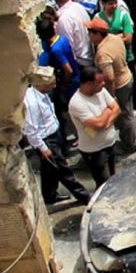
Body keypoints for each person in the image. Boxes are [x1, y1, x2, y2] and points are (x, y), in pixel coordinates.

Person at [23, 66, 90, 204]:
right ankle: (84, 196)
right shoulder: (32, 103)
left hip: (53, 134)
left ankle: (50, 196)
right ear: (40, 84)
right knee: (63, 170)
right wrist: (44, 149)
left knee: (49, 170)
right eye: (51, 83)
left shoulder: (41, 94)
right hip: (46, 141)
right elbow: (31, 130)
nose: (54, 85)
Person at [95, 0, 136, 131]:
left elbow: (129, 39)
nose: (114, 6)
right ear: (103, 4)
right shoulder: (98, 18)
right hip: (108, 61)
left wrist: (109, 39)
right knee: (112, 88)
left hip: (126, 58)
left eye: (115, 2)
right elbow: (97, 40)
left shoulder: (123, 15)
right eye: (110, 3)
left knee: (134, 86)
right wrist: (119, 37)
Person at [87, 17, 136, 154]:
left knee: (123, 117)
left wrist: (112, 96)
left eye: (90, 33)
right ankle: (135, 136)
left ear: (98, 34)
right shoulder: (115, 38)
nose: (88, 36)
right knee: (129, 111)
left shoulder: (103, 53)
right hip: (127, 77)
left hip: (119, 86)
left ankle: (129, 145)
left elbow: (109, 78)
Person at [69, 66, 121, 186]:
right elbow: (98, 124)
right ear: (88, 84)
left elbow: (116, 108)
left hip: (110, 144)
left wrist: (106, 121)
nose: (103, 84)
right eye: (99, 82)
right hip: (95, 152)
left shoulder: (100, 91)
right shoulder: (77, 103)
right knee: (105, 185)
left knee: (113, 180)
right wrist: (107, 111)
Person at [37, 17, 80, 134]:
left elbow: (68, 70)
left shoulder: (55, 49)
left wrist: (65, 84)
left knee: (75, 111)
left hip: (71, 83)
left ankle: (81, 135)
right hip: (77, 77)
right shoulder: (62, 39)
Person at [53, 0, 93, 67]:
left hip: (80, 62)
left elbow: (68, 47)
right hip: (89, 55)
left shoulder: (63, 19)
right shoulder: (79, 6)